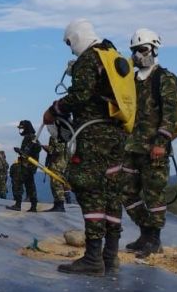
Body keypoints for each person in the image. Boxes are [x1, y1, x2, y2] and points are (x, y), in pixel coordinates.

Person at [44, 19, 129, 275]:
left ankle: (93, 259)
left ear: (77, 37)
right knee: (112, 192)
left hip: (94, 135)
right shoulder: (112, 56)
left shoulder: (89, 59)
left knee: (88, 186)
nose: (71, 49)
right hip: (117, 134)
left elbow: (80, 96)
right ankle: (110, 256)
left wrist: (54, 110)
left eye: (70, 43)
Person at [115, 28, 177, 258]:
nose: (138, 55)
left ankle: (154, 239)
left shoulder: (165, 79)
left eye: (143, 50)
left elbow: (171, 114)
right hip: (131, 147)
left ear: (155, 50)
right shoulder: (131, 81)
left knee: (153, 194)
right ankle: (145, 232)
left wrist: (161, 142)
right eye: (134, 51)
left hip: (154, 149)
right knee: (126, 191)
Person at [14, 120, 40, 211]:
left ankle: (18, 205)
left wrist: (20, 151)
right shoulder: (31, 137)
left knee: (18, 183)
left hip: (27, 165)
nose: (20, 130)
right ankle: (33, 206)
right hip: (30, 166)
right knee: (30, 185)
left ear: (26, 128)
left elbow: (33, 150)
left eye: (21, 128)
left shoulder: (31, 138)